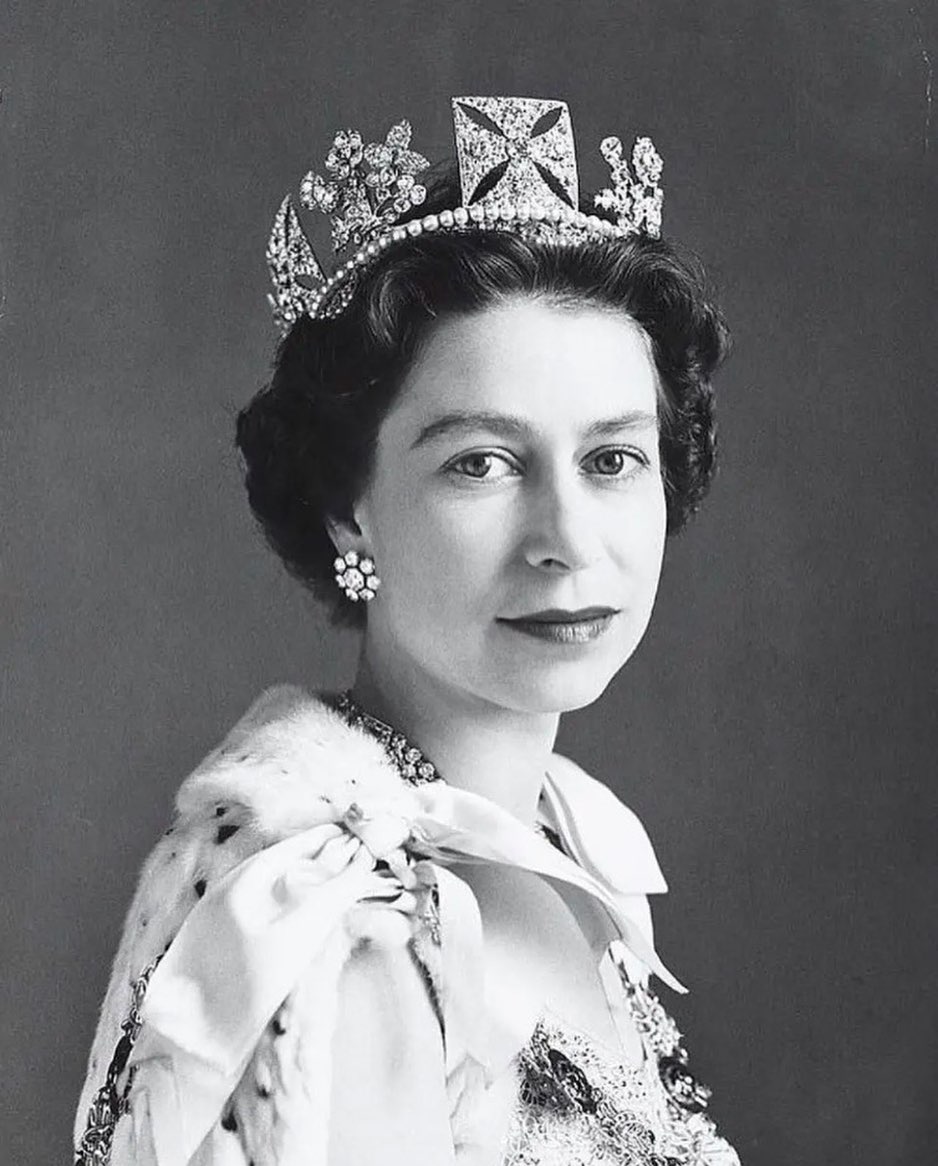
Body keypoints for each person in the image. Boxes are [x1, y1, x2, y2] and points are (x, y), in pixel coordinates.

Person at [74, 95, 737, 1166]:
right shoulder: (340, 932)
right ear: (349, 507)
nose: (565, 540)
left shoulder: (560, 838)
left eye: (612, 459)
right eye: (482, 463)